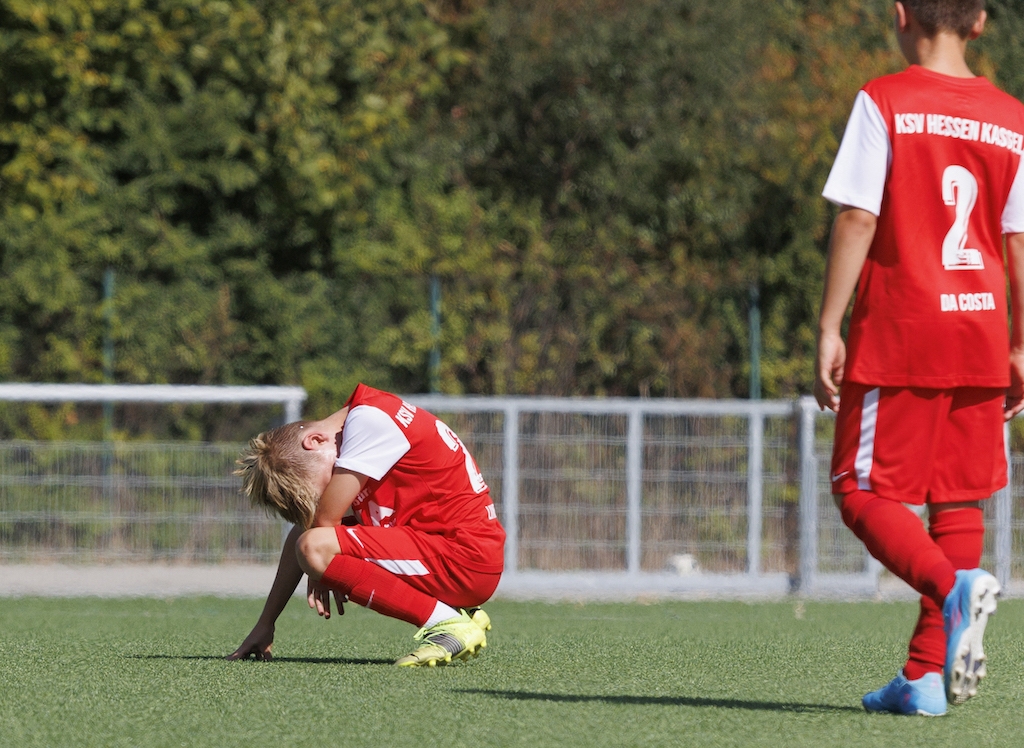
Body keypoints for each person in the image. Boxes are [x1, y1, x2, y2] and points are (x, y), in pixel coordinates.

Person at [814, 0, 1024, 716]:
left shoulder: (885, 101)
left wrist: (829, 325)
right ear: (980, 21)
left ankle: (951, 587)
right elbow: (1018, 240)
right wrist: (1021, 343)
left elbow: (857, 216)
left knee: (856, 488)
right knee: (956, 500)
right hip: (981, 332)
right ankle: (925, 678)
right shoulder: (1012, 118)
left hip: (903, 329)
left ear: (902, 14)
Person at [227, 383, 505, 666]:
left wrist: (323, 570)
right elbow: (311, 527)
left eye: (324, 487)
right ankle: (458, 613)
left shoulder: (369, 420)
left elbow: (322, 525)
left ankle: (448, 624)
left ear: (315, 441)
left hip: (464, 559)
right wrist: (267, 622)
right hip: (452, 553)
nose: (331, 494)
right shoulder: (367, 416)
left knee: (315, 546)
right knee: (312, 540)